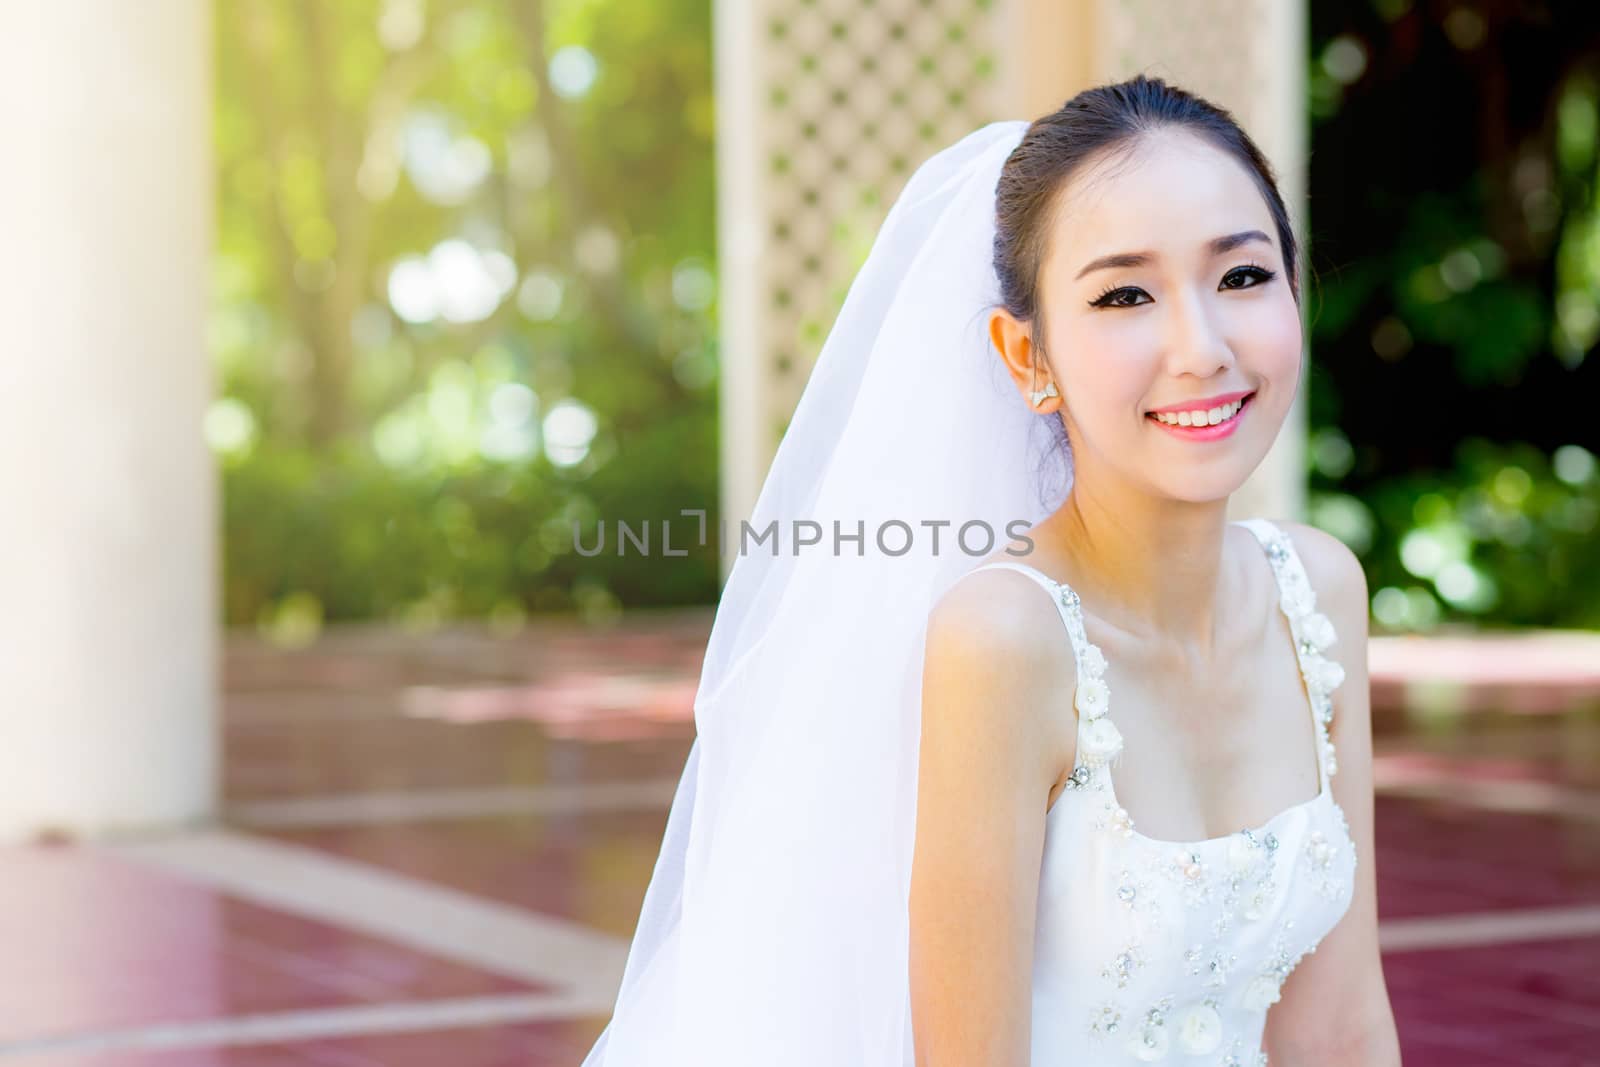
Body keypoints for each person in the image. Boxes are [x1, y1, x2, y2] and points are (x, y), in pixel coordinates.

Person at [581, 75, 1401, 1066]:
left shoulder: (1317, 590)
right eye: (1124, 294)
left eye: (1240, 277)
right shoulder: (1004, 641)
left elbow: (1340, 1025)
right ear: (1027, 358)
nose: (1202, 346)